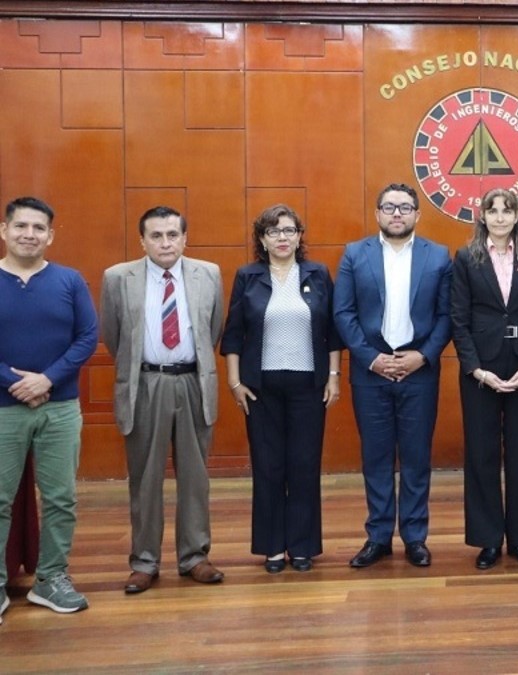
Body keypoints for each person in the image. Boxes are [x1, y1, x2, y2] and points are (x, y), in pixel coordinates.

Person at [101, 206, 226, 593]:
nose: (165, 242)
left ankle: (194, 557)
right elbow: (113, 335)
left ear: (185, 238)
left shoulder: (209, 274)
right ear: (142, 240)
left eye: (173, 234)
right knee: (145, 477)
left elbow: (213, 328)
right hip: (145, 384)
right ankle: (144, 561)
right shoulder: (118, 278)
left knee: (195, 477)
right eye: (156, 235)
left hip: (191, 382)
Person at [220, 204, 343, 574]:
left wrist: (334, 376)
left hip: (309, 385)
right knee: (269, 467)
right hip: (261, 388)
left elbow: (333, 332)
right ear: (262, 239)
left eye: (289, 230)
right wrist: (235, 381)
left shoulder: (318, 274)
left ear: (300, 236)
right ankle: (273, 547)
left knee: (304, 466)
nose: (283, 238)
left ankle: (302, 546)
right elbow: (233, 334)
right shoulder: (248, 276)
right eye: (274, 232)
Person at [334, 183, 451, 569]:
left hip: (419, 373)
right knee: (377, 458)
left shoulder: (438, 256)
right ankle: (379, 536)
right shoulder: (355, 254)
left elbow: (446, 316)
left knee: (417, 458)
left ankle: (415, 537)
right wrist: (372, 359)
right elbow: (343, 315)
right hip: (371, 374)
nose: (396, 214)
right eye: (389, 207)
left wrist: (423, 356)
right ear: (378, 214)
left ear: (418, 214)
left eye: (404, 207)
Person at [0, 197, 97, 621]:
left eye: (39, 228)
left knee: (61, 498)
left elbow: (88, 337)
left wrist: (47, 379)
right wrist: (16, 382)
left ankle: (51, 579)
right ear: (4, 231)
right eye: (21, 226)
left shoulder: (69, 281)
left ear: (50, 235)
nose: (29, 234)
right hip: (3, 408)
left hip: (60, 408)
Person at [451, 189, 518, 570]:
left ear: (517, 216)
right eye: (493, 211)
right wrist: (476, 369)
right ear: (482, 216)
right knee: (482, 454)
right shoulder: (466, 258)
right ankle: (488, 539)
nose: (500, 217)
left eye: (507, 211)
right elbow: (458, 319)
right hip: (480, 369)